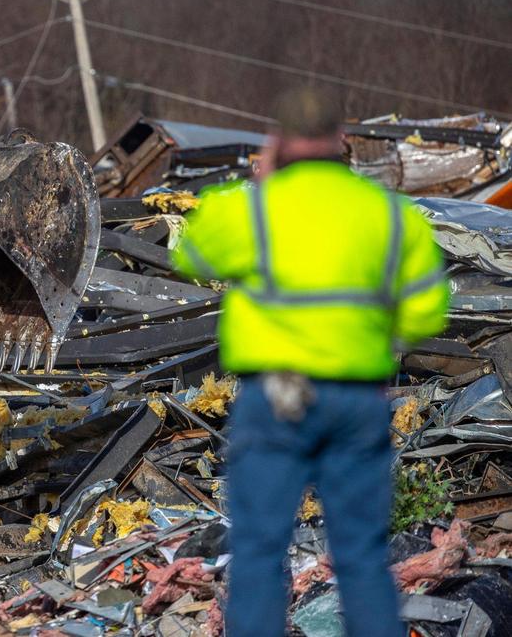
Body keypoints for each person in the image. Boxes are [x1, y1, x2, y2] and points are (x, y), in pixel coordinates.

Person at [170, 87, 449, 637]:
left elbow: (189, 253)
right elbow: (426, 315)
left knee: (257, 550)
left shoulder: (252, 208)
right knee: (362, 555)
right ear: (342, 142)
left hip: (276, 395)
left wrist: (262, 180)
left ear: (277, 142)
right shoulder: (390, 217)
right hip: (356, 400)